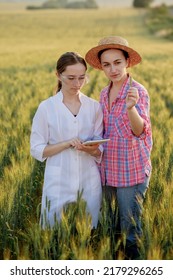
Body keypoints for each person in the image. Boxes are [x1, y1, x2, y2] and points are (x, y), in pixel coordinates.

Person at [85, 36, 152, 259]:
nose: (112, 69)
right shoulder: (104, 93)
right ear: (101, 67)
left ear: (127, 62)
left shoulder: (137, 91)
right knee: (110, 225)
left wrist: (131, 108)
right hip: (108, 168)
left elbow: (139, 130)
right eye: (106, 64)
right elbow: (105, 131)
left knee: (130, 228)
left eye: (117, 62)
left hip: (131, 169)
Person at [30, 52, 103, 229]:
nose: (77, 84)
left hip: (89, 178)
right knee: (52, 232)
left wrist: (90, 149)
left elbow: (100, 151)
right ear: (58, 75)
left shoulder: (94, 107)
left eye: (81, 78)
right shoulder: (47, 108)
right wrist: (66, 143)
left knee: (91, 230)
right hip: (58, 180)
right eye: (70, 78)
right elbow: (37, 149)